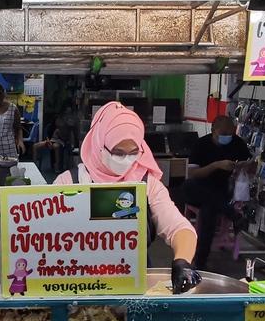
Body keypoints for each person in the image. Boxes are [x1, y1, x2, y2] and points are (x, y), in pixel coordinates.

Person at [54, 102, 200, 293]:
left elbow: (179, 228)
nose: (126, 160)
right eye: (117, 153)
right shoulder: (69, 183)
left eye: (133, 153)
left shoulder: (147, 185)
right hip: (77, 283)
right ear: (99, 145)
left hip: (135, 282)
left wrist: (182, 261)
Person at [183, 114, 253, 271]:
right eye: (223, 134)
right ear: (213, 130)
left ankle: (200, 261)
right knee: (195, 188)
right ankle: (234, 215)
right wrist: (216, 165)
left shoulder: (237, 143)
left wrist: (243, 166)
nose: (227, 137)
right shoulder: (201, 144)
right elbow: (193, 174)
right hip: (198, 187)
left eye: (230, 134)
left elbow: (251, 165)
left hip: (220, 190)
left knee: (209, 209)